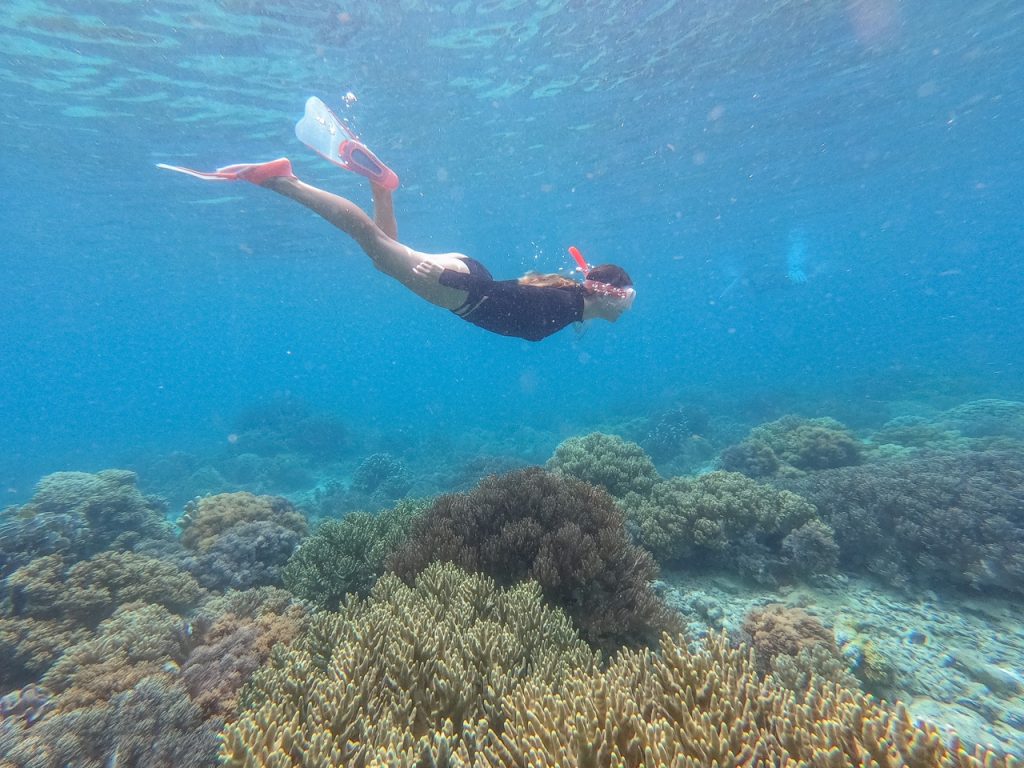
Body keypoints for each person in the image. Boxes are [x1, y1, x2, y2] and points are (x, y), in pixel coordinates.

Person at [159, 97, 635, 342]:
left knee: (384, 250)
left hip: (469, 276)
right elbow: (504, 297)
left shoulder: (572, 301)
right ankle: (283, 180)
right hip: (464, 289)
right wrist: (447, 277)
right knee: (375, 248)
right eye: (627, 297)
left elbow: (527, 297)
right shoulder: (565, 305)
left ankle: (381, 186)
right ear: (607, 294)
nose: (629, 307)